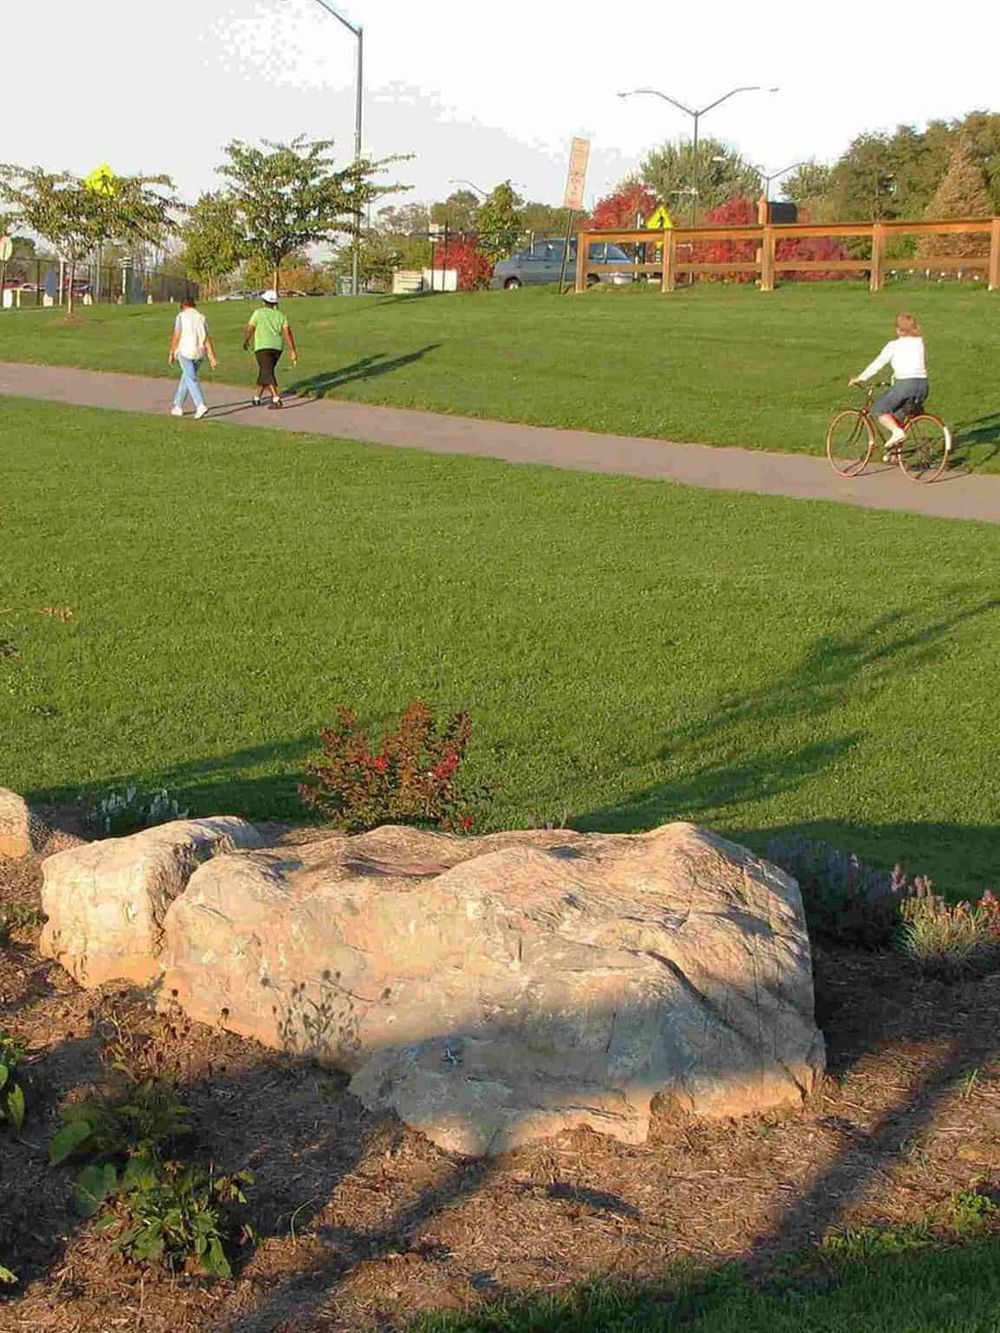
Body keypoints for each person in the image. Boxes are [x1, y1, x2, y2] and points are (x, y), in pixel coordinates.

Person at [850, 313, 929, 460]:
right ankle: (894, 453)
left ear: (898, 330)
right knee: (897, 417)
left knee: (878, 409)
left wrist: (860, 378)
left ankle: (897, 434)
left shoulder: (893, 346)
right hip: (923, 385)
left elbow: (877, 364)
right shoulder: (919, 342)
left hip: (905, 385)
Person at [243, 289, 298, 409]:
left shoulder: (258, 313)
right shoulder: (281, 315)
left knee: (267, 372)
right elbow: (287, 332)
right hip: (277, 348)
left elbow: (250, 328)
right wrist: (292, 349)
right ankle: (257, 398)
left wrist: (246, 339)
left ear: (264, 302)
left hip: (262, 346)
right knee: (266, 371)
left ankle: (276, 399)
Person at [168, 297, 217, 419]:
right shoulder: (201, 317)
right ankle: (178, 406)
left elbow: (177, 335)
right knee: (187, 377)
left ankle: (200, 404)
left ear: (183, 306)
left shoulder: (181, 317)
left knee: (191, 378)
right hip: (199, 352)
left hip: (185, 351)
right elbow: (206, 338)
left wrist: (172, 352)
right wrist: (211, 357)